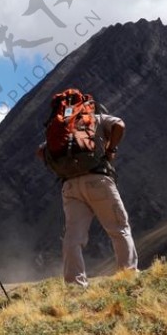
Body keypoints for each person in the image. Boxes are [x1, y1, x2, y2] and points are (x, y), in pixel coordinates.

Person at [36, 94, 138, 287]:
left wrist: (62, 166)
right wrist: (110, 150)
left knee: (73, 237)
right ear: (87, 105)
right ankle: (128, 275)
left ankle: (75, 284)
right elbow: (120, 125)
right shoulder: (96, 119)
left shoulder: (59, 128)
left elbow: (40, 151)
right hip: (97, 180)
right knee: (119, 228)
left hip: (70, 186)